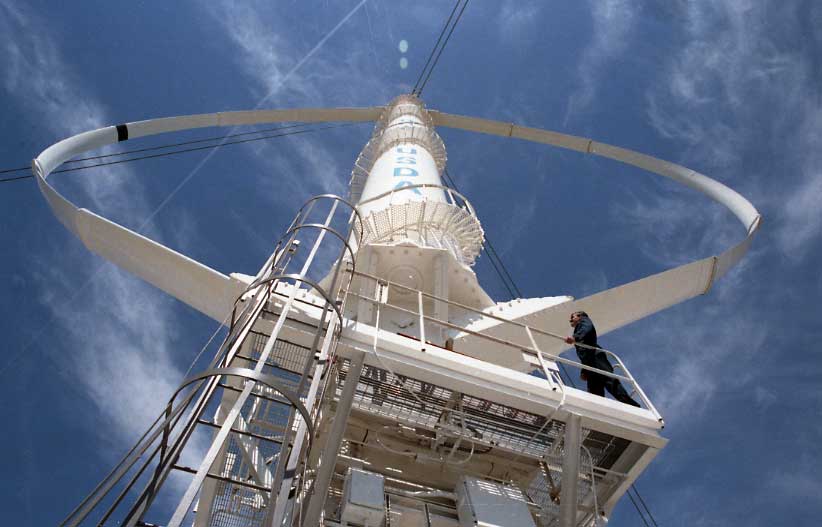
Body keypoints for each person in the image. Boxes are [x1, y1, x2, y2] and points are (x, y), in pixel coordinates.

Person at [564, 311, 640, 407]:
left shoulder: (584, 321)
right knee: (594, 390)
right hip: (589, 362)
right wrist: (584, 371)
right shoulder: (578, 329)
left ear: (579, 316)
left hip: (595, 357)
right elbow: (584, 353)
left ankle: (631, 405)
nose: (570, 319)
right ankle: (596, 408)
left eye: (572, 317)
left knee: (609, 381)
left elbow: (588, 329)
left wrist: (575, 337)